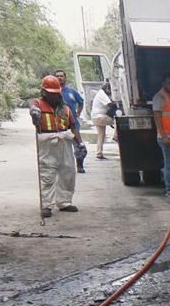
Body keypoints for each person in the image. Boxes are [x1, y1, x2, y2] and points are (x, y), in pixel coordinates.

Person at [29, 75, 83, 217]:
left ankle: (64, 202)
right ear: (44, 92)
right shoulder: (38, 104)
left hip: (64, 142)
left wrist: (80, 144)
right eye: (50, 93)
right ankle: (46, 205)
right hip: (47, 143)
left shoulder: (65, 109)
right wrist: (34, 112)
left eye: (56, 93)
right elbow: (32, 105)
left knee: (68, 172)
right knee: (47, 174)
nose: (54, 96)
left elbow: (73, 127)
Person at [54, 70, 87, 174]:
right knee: (57, 147)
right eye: (57, 76)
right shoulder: (52, 92)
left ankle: (80, 166)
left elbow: (81, 102)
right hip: (57, 125)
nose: (59, 78)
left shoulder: (71, 91)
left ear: (65, 78)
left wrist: (78, 113)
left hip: (73, 125)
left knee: (80, 146)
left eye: (61, 76)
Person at [91, 81, 114, 160]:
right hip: (100, 116)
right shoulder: (102, 94)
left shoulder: (100, 93)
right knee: (118, 120)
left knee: (101, 135)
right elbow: (110, 104)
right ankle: (116, 136)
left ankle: (99, 153)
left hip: (96, 116)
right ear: (107, 88)